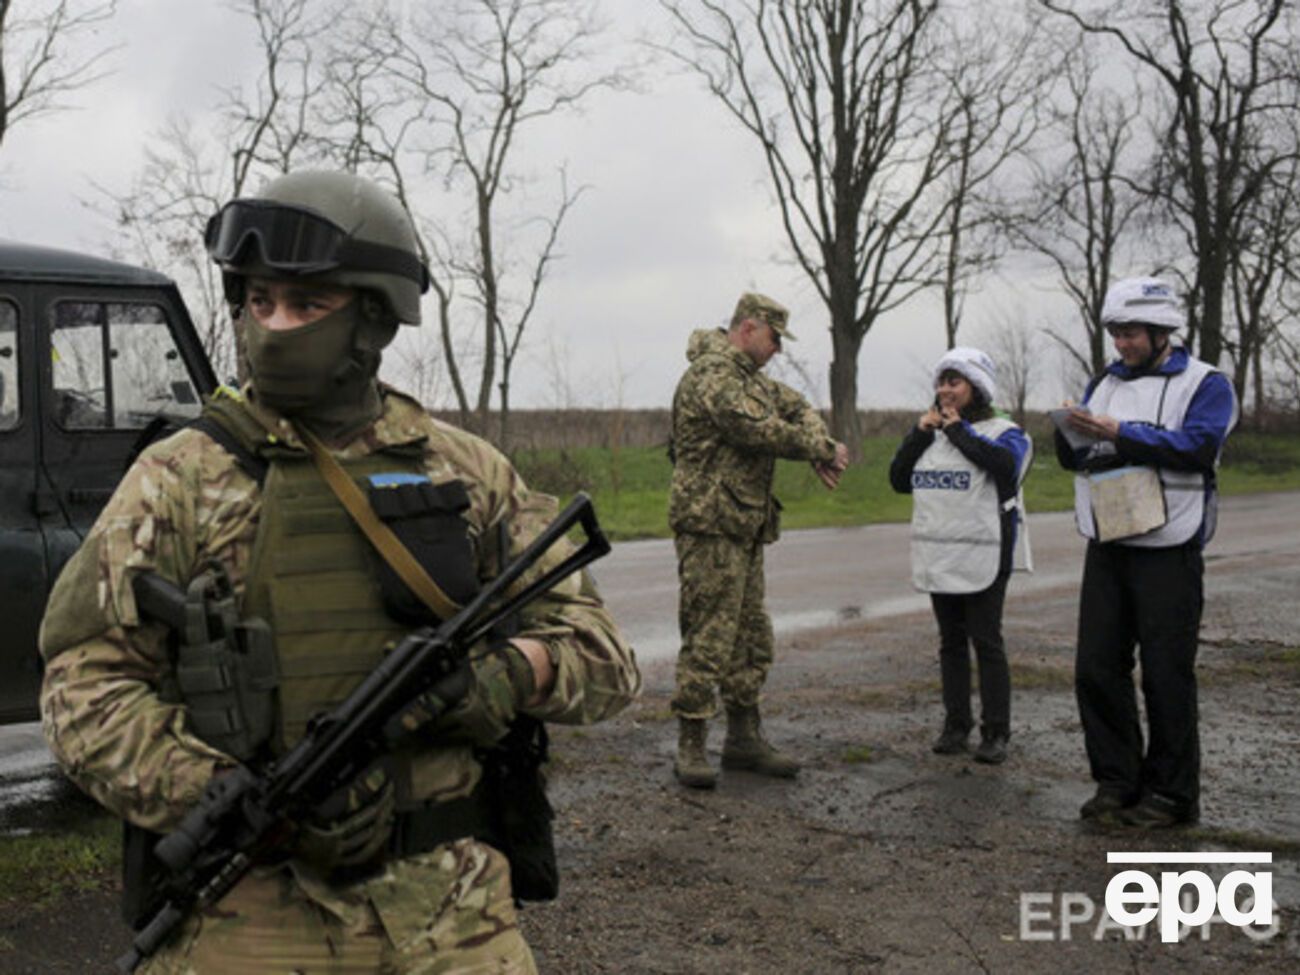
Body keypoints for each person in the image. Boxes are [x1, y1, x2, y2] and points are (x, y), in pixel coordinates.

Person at [38, 171, 642, 972]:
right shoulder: (178, 478)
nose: (274, 327)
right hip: (251, 907)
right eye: (259, 302)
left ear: (372, 317)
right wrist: (213, 792)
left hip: (452, 911)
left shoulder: (468, 472)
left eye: (305, 304)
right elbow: (81, 687)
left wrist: (506, 676)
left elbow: (603, 656)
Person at [1056, 276, 1237, 829]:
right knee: (1096, 667)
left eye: (1131, 333)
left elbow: (1200, 447)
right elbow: (1081, 454)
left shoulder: (1206, 384)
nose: (1122, 344)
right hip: (1109, 540)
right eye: (1115, 333)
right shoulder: (1104, 382)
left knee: (1165, 675)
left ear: (1162, 332)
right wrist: (1070, 432)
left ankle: (1173, 794)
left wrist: (1122, 431)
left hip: (1169, 548)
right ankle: (1117, 780)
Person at [667, 292, 848, 789]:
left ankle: (743, 739)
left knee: (749, 636)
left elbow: (800, 408)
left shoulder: (754, 382)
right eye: (773, 339)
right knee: (709, 636)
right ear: (748, 329)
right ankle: (691, 743)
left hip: (743, 525)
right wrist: (824, 448)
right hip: (710, 526)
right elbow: (758, 431)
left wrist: (817, 441)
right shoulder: (712, 376)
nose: (778, 350)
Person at [889, 347, 1032, 765]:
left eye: (955, 382)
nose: (945, 391)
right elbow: (898, 480)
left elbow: (1004, 467)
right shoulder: (930, 435)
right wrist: (920, 433)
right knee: (950, 643)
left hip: (986, 556)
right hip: (940, 557)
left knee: (986, 642)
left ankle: (996, 732)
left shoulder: (1006, 432)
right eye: (941, 382)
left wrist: (957, 433)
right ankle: (956, 726)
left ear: (977, 388)